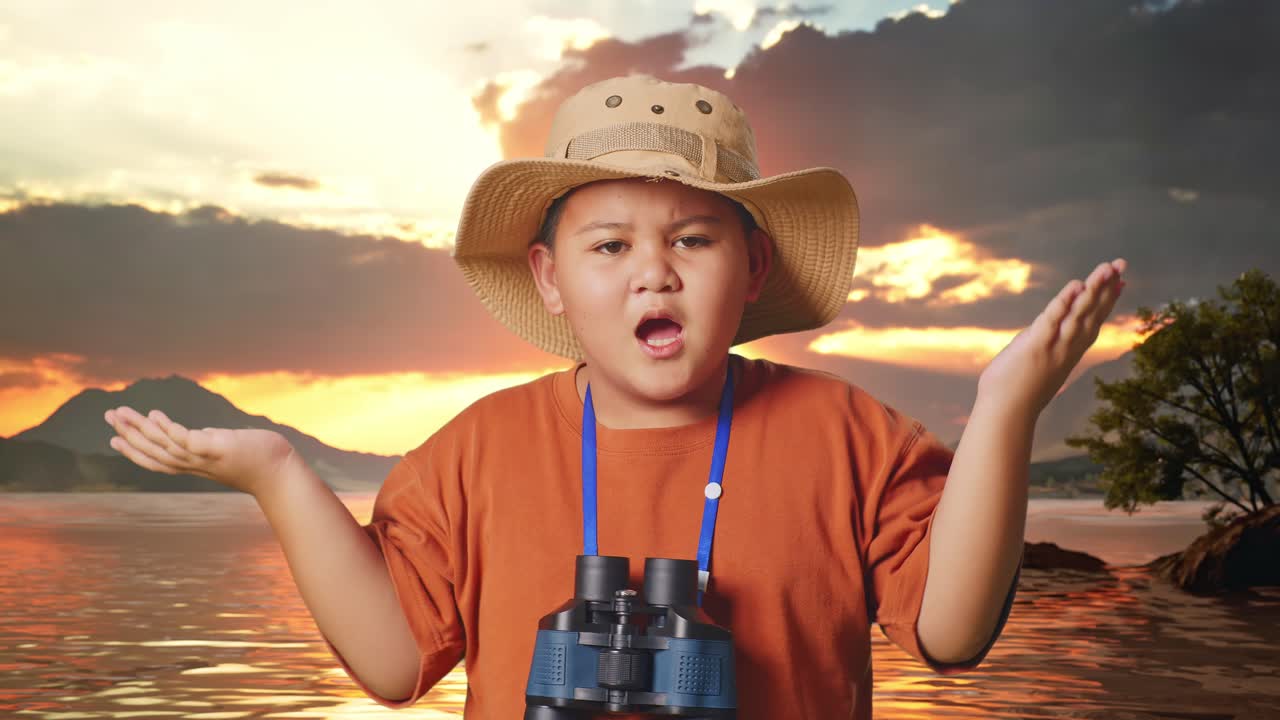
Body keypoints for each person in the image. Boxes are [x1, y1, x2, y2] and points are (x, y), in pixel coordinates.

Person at [103, 74, 1128, 719]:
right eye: (609, 246)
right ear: (550, 278)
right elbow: (391, 666)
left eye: (692, 239)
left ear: (754, 266)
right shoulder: (477, 449)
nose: (654, 273)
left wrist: (1004, 409)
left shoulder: (847, 435)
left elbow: (951, 638)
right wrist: (275, 476)